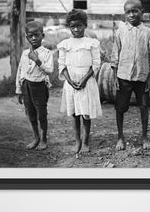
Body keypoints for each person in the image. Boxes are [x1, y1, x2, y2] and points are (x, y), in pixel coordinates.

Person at [111, 0, 150, 151]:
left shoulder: (148, 33)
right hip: (123, 77)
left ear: (141, 12)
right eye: (128, 12)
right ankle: (120, 137)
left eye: (135, 11)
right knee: (120, 108)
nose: (131, 15)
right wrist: (114, 77)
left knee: (144, 106)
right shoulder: (120, 31)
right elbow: (115, 55)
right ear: (125, 14)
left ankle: (144, 137)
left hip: (142, 76)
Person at [57, 9, 102, 156]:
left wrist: (84, 80)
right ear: (69, 27)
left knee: (85, 114)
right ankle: (77, 140)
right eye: (73, 26)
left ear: (85, 25)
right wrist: (69, 81)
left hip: (86, 82)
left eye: (79, 26)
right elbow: (62, 65)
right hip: (71, 84)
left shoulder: (92, 43)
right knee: (75, 113)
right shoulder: (65, 44)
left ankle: (86, 141)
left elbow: (96, 64)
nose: (76, 29)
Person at [16, 21, 54, 150]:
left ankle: (43, 139)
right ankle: (36, 137)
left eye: (36, 35)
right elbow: (20, 71)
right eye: (30, 36)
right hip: (26, 86)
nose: (33, 38)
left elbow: (49, 70)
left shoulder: (47, 53)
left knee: (41, 114)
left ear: (42, 35)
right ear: (26, 37)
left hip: (39, 87)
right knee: (30, 113)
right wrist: (19, 89)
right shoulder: (24, 53)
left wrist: (37, 60)